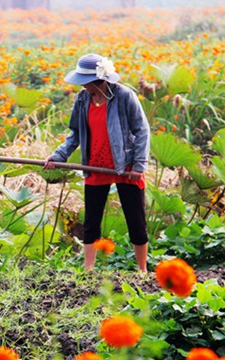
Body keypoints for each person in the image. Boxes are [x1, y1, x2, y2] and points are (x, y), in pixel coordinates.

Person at [44, 53, 150, 273]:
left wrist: (139, 166)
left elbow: (142, 130)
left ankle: (142, 271)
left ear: (98, 80)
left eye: (86, 82)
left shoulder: (124, 97)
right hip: (94, 164)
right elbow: (74, 134)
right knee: (91, 221)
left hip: (125, 165)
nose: (83, 87)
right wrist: (58, 156)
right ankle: (89, 270)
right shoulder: (83, 100)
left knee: (135, 220)